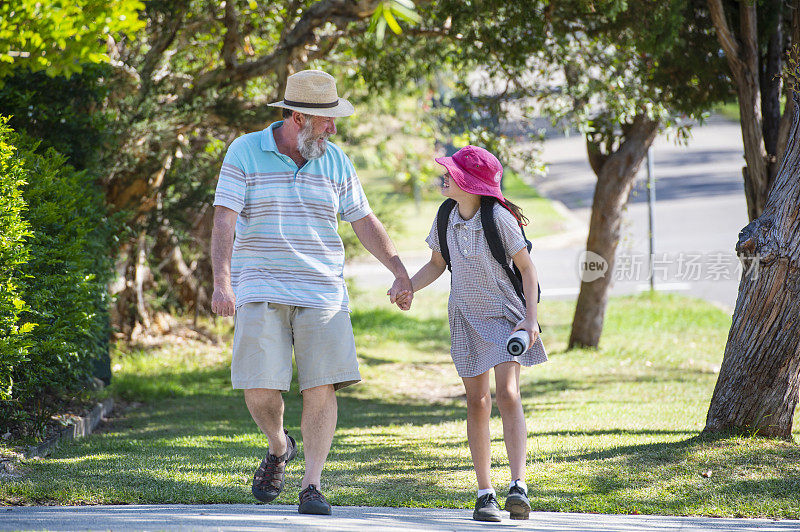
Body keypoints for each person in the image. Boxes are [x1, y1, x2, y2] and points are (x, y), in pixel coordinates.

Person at [210, 69, 412, 516]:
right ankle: (280, 446)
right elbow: (224, 218)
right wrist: (222, 281)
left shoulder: (335, 159)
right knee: (259, 387)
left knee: (322, 386)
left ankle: (312, 484)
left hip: (323, 292)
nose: (334, 128)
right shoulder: (245, 151)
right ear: (298, 117)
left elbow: (363, 220)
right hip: (259, 284)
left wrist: (399, 270)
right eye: (327, 120)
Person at [393, 145, 547, 522]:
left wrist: (530, 320)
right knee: (477, 401)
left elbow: (528, 270)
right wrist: (408, 286)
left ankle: (518, 487)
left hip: (504, 316)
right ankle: (485, 493)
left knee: (508, 393)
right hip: (465, 318)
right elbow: (436, 264)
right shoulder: (446, 215)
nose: (444, 175)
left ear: (469, 183)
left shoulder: (499, 219)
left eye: (451, 171)